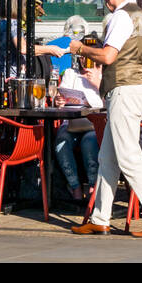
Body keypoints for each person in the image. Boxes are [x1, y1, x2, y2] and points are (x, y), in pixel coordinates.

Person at [68, 0, 142, 237]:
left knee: (128, 157)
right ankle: (100, 218)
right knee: (107, 158)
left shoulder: (120, 16)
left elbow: (108, 55)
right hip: (139, 87)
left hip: (124, 90)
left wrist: (79, 48)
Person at [52, 64, 103, 202]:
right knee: (61, 142)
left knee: (89, 142)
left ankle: (93, 186)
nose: (84, 58)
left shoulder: (105, 73)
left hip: (94, 124)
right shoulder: (70, 73)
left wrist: (98, 84)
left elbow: (110, 102)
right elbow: (60, 98)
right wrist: (58, 101)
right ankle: (75, 186)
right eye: (81, 54)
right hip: (71, 123)